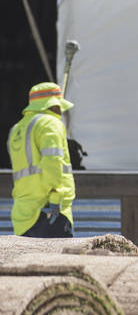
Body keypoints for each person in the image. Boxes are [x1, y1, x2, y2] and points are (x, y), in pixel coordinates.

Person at [6, 82, 76, 238]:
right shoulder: (50, 124)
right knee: (57, 261)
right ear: (53, 105)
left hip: (23, 214)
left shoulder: (17, 129)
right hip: (49, 212)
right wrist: (56, 201)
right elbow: (52, 162)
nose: (61, 111)